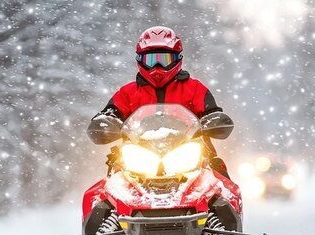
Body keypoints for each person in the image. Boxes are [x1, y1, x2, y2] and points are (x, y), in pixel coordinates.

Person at [87, 26, 230, 178]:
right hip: (138, 161)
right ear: (140, 60)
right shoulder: (127, 93)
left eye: (164, 60)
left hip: (188, 158)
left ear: (177, 58)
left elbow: (212, 113)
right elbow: (110, 114)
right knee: (105, 191)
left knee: (220, 180)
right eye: (151, 60)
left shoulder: (195, 88)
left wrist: (214, 121)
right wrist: (105, 123)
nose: (157, 67)